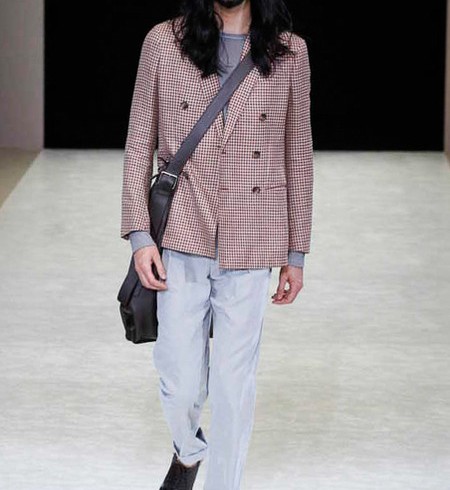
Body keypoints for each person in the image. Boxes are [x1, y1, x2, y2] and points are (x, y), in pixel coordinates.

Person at [120, 0, 314, 488]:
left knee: (233, 386)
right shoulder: (163, 42)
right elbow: (139, 140)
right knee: (180, 379)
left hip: (253, 236)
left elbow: (298, 154)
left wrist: (296, 253)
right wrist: (140, 235)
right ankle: (188, 451)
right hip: (183, 231)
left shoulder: (290, 53)